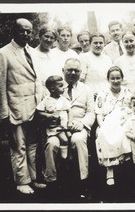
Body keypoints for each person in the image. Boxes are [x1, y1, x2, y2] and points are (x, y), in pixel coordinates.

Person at [0, 18, 46, 194]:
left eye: (28, 31)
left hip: (34, 108)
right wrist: (3, 114)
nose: (25, 34)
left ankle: (33, 179)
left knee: (32, 146)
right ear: (14, 31)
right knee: (18, 146)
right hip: (15, 109)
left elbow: (36, 80)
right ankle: (21, 182)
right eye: (22, 30)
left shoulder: (31, 51)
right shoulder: (3, 54)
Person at [43, 58, 95, 198]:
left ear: (81, 73)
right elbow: (45, 109)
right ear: (63, 70)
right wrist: (50, 120)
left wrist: (82, 123)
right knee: (52, 143)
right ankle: (51, 181)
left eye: (76, 70)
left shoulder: (86, 89)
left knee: (78, 140)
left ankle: (83, 182)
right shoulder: (54, 86)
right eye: (69, 70)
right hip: (57, 127)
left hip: (78, 125)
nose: (73, 73)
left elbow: (91, 112)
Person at [95, 66, 132, 186]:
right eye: (112, 78)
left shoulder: (127, 92)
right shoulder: (103, 93)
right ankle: (109, 171)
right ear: (108, 79)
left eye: (118, 78)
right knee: (103, 134)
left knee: (123, 133)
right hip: (107, 122)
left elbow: (132, 110)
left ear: (122, 78)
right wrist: (102, 126)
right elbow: (99, 113)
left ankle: (126, 170)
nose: (115, 81)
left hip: (123, 121)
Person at [36, 75, 72, 159]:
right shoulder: (46, 100)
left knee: (69, 137)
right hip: (54, 127)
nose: (64, 88)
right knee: (64, 139)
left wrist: (70, 122)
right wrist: (48, 115)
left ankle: (68, 154)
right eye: (60, 86)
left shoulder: (63, 99)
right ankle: (64, 156)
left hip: (64, 126)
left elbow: (69, 111)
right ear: (52, 89)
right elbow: (39, 111)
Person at [79, 32, 112, 98]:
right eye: (95, 43)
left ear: (104, 44)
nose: (98, 45)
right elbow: (80, 81)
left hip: (107, 95)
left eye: (101, 43)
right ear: (90, 44)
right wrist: (89, 94)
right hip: (90, 96)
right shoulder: (83, 57)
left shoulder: (108, 59)